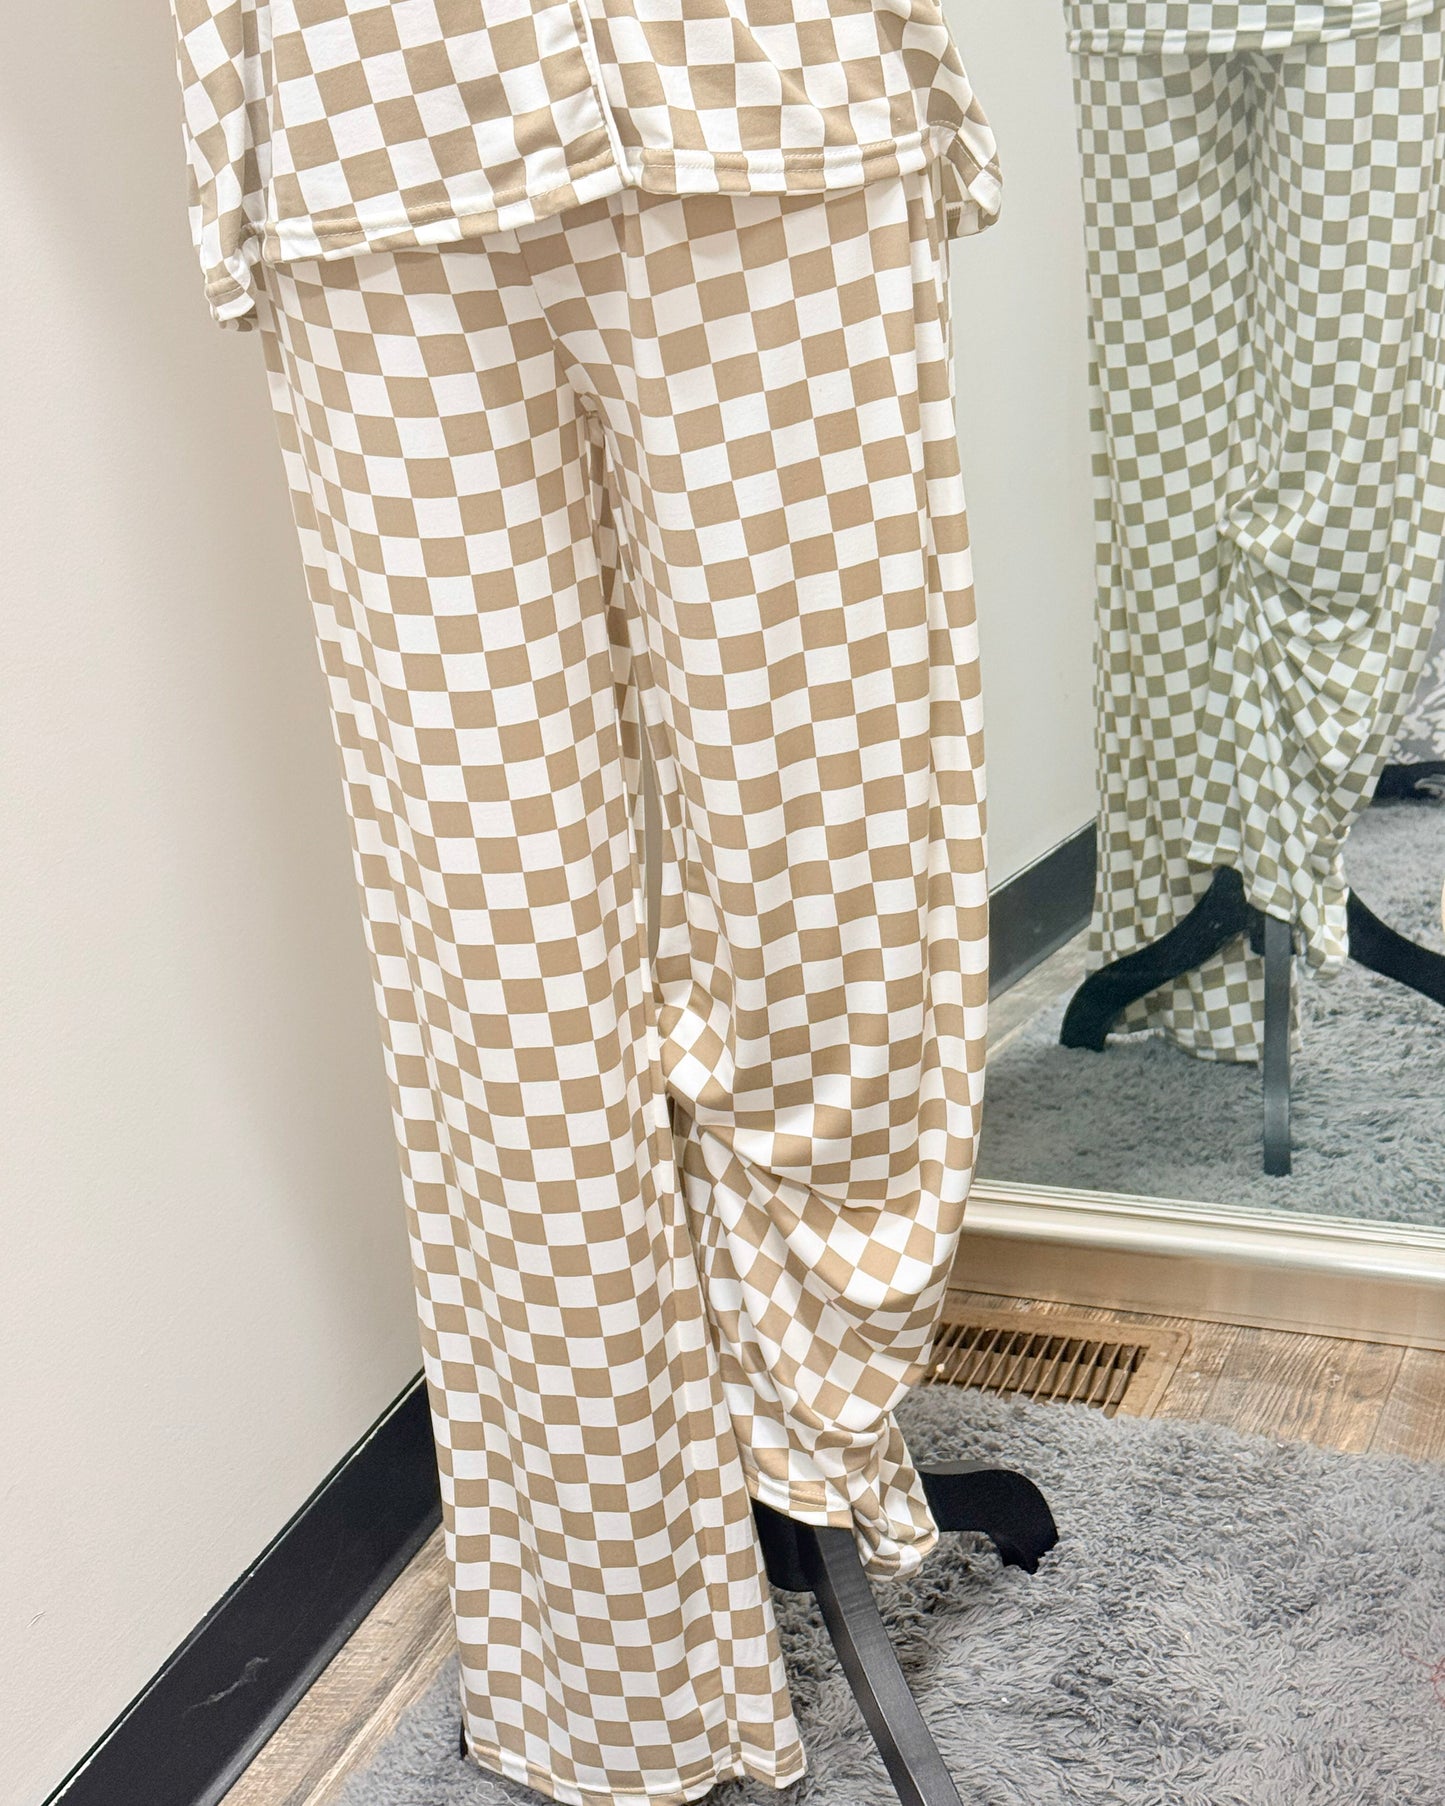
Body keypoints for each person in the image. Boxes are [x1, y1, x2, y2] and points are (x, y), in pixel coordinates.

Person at [167, 3, 1001, 1799]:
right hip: (378, 129)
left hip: (766, 91)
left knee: (841, 876)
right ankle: (619, 1658)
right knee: (502, 973)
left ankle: (817, 1407)